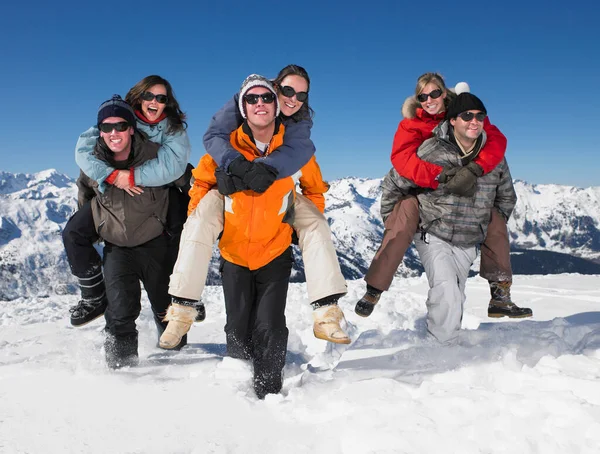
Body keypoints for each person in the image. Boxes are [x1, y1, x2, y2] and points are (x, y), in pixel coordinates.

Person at [162, 65, 350, 349]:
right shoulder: (231, 137)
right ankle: (182, 310)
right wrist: (230, 173)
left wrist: (296, 224)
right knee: (199, 223)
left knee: (316, 223)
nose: (293, 99)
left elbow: (313, 186)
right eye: (287, 91)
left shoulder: (295, 135)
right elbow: (204, 171)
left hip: (274, 234)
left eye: (301, 94)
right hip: (234, 234)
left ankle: (326, 313)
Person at [186, 74, 330, 398]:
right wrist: (209, 222)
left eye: (266, 98)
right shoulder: (227, 147)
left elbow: (315, 190)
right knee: (237, 328)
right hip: (234, 253)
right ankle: (238, 394)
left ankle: (268, 395)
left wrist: (299, 224)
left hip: (274, 251)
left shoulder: (292, 150)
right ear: (243, 107)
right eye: (252, 99)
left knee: (270, 327)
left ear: (277, 105)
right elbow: (200, 185)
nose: (260, 104)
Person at [355, 73, 531, 319]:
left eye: (435, 93)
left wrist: (475, 168)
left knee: (494, 219)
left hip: (464, 208)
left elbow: (496, 141)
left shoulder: (465, 111)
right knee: (403, 215)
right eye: (422, 96)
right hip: (425, 190)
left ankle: (500, 294)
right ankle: (374, 288)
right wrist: (441, 175)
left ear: (445, 94)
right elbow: (402, 164)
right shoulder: (412, 126)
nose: (429, 100)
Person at [381, 92, 518, 343]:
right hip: (432, 232)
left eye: (479, 116)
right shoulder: (431, 150)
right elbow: (394, 183)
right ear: (453, 120)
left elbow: (506, 196)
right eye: (467, 116)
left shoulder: (494, 158)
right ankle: (440, 348)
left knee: (456, 292)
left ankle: (444, 337)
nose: (474, 121)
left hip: (469, 239)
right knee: (446, 290)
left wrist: (488, 225)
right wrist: (392, 220)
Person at [66, 95, 190, 368]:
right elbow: (85, 196)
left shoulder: (156, 155)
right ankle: (122, 374)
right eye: (107, 127)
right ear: (99, 131)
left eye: (121, 126)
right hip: (117, 248)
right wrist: (96, 229)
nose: (114, 133)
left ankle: (181, 369)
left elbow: (185, 180)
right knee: (119, 314)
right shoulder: (93, 164)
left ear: (132, 128)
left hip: (156, 244)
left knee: (166, 312)